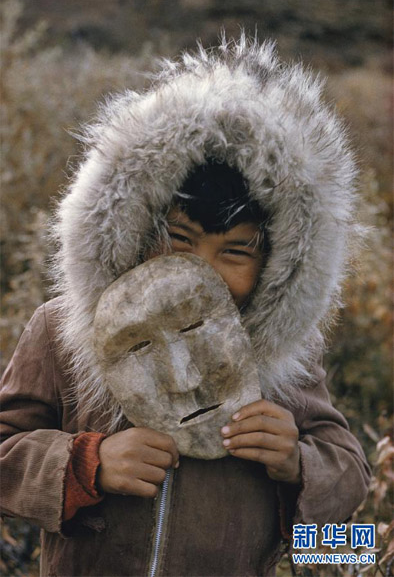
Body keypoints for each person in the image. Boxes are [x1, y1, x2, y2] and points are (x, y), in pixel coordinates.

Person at [0, 36, 370, 577]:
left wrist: (298, 463)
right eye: (179, 240)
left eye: (235, 252)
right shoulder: (62, 329)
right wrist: (86, 464)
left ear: (276, 263)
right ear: (136, 231)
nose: (202, 272)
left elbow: (349, 471)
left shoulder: (286, 352)